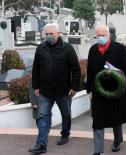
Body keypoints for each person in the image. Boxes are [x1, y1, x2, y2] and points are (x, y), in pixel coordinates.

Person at [29, 23, 81, 154]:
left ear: (58, 34)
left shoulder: (68, 49)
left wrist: (74, 87)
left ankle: (65, 134)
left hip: (63, 91)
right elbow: (36, 69)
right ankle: (41, 144)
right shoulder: (40, 48)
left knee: (66, 114)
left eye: (51, 33)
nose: (48, 36)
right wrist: (36, 86)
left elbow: (76, 69)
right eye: (46, 34)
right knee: (43, 116)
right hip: (45, 91)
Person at [87, 25, 126, 155]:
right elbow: (90, 71)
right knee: (98, 120)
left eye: (103, 35)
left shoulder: (120, 49)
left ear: (109, 35)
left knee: (115, 118)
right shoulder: (93, 50)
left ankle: (117, 140)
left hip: (115, 91)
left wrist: (115, 72)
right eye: (98, 36)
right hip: (98, 91)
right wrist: (89, 89)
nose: (100, 38)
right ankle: (97, 150)